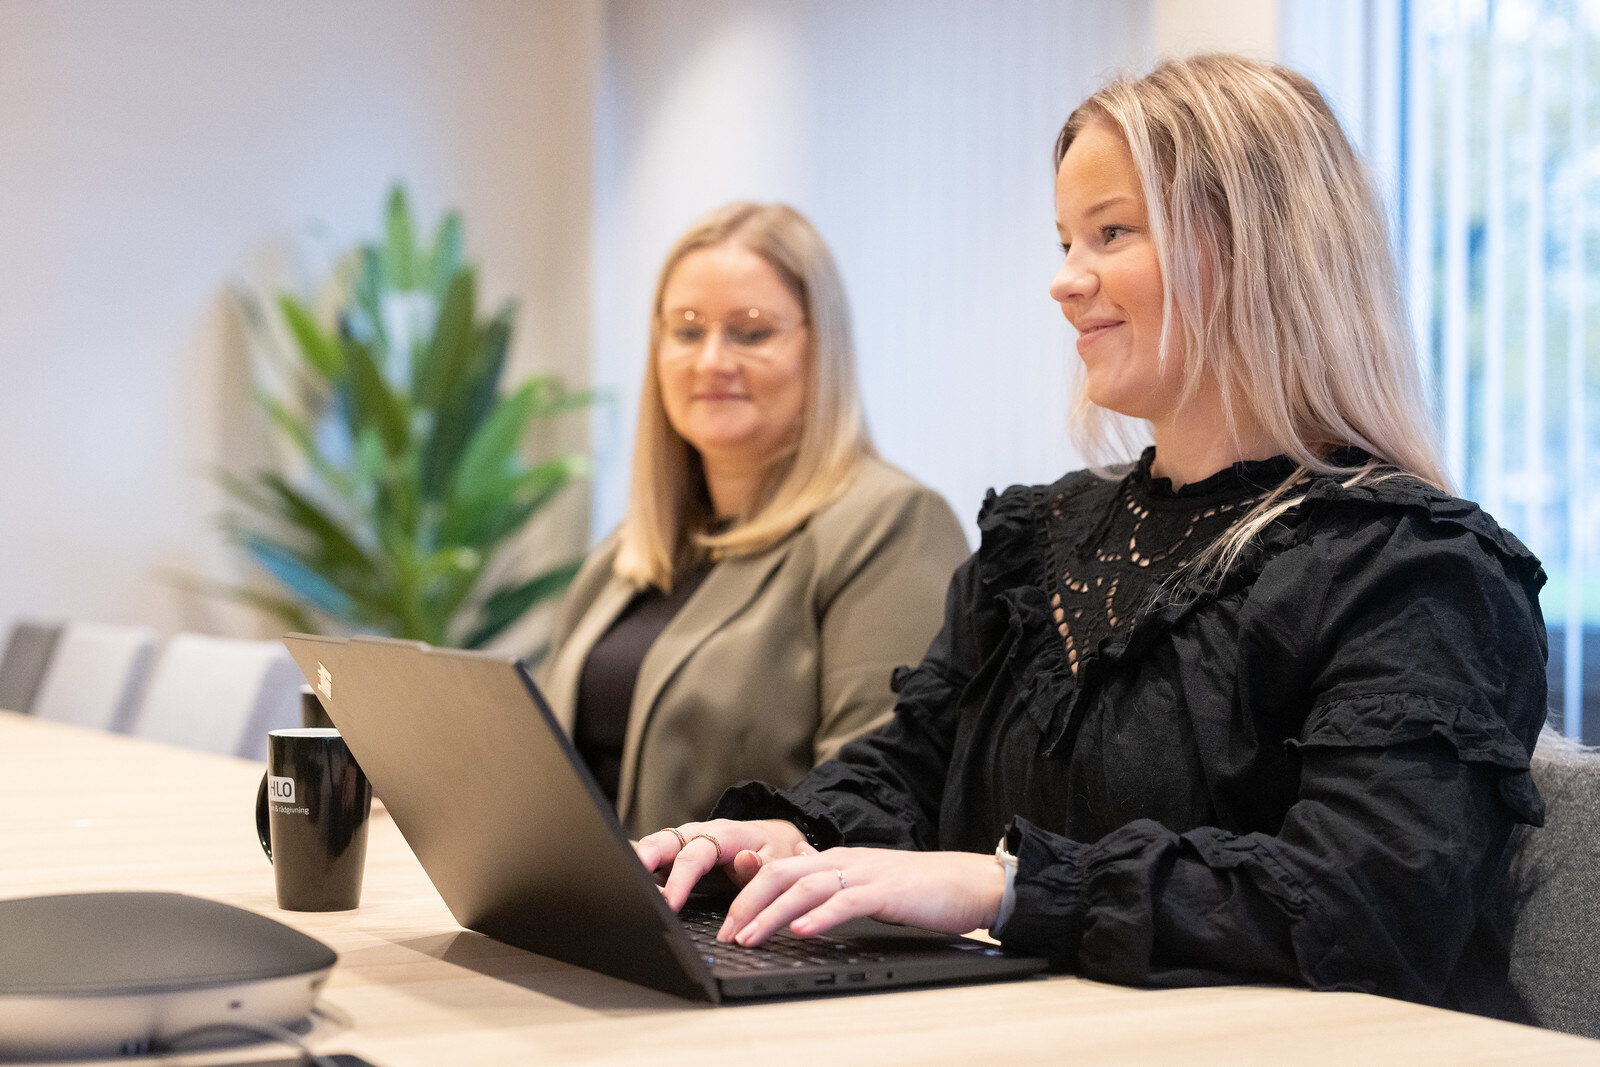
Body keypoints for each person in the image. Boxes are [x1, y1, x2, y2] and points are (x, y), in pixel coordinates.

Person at [635, 55, 1549, 1020]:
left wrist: (1004, 887)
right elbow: (911, 765)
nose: (1065, 281)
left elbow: (1363, 909)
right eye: (1067, 239)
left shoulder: (1415, 569)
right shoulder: (1038, 540)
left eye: (1110, 233)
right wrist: (790, 835)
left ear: (1260, 246)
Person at [541, 202, 970, 838]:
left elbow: (877, 802)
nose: (712, 360)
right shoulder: (629, 550)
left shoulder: (893, 524)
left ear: (820, 348)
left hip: (747, 901)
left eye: (751, 332)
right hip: (580, 895)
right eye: (687, 331)